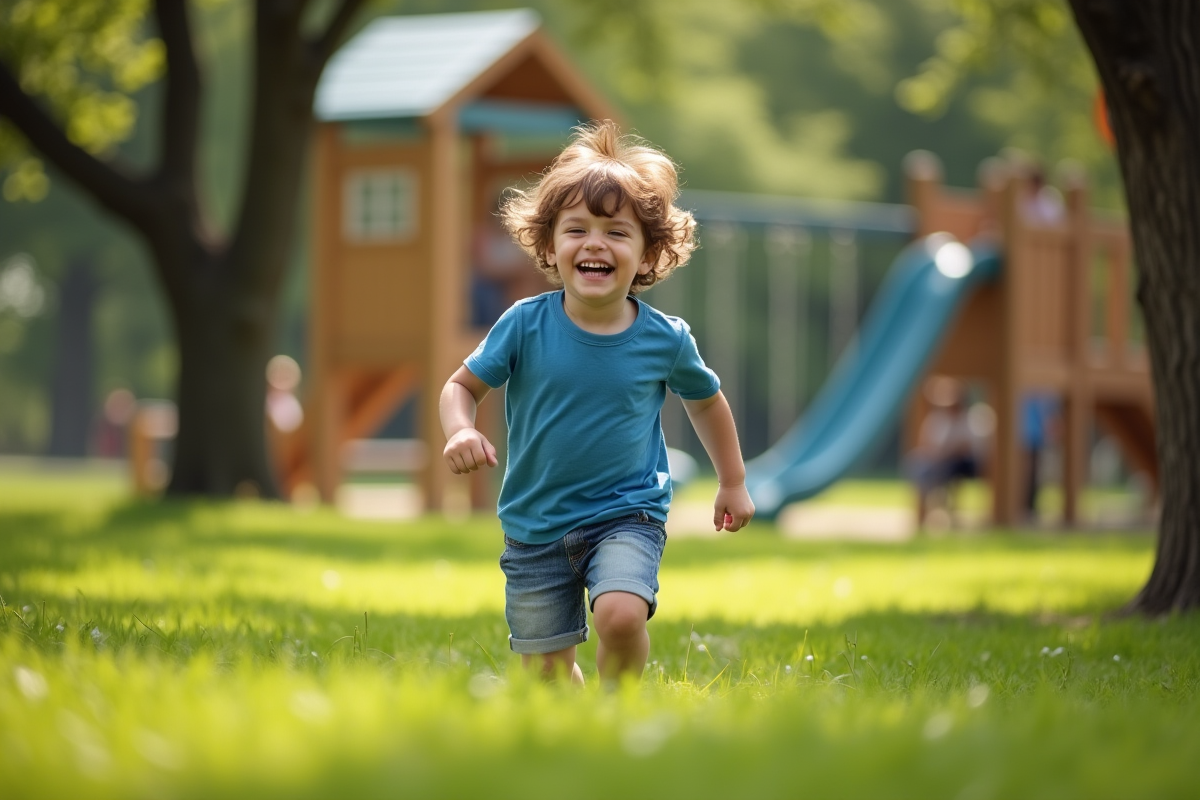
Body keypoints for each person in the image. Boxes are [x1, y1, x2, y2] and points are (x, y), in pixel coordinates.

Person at [439, 121, 754, 686]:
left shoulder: (665, 338)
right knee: (547, 676)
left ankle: (620, 700)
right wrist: (460, 429)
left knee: (621, 613)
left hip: (626, 512)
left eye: (616, 232)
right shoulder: (523, 325)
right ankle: (580, 717)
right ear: (550, 244)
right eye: (576, 229)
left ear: (647, 252)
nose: (594, 244)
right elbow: (460, 386)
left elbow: (707, 402)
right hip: (536, 523)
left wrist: (731, 480)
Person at [906, 377, 985, 526]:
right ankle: (923, 513)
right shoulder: (938, 420)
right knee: (919, 465)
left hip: (961, 464)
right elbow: (929, 444)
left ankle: (947, 512)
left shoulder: (970, 419)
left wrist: (946, 452)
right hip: (939, 461)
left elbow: (965, 447)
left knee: (947, 469)